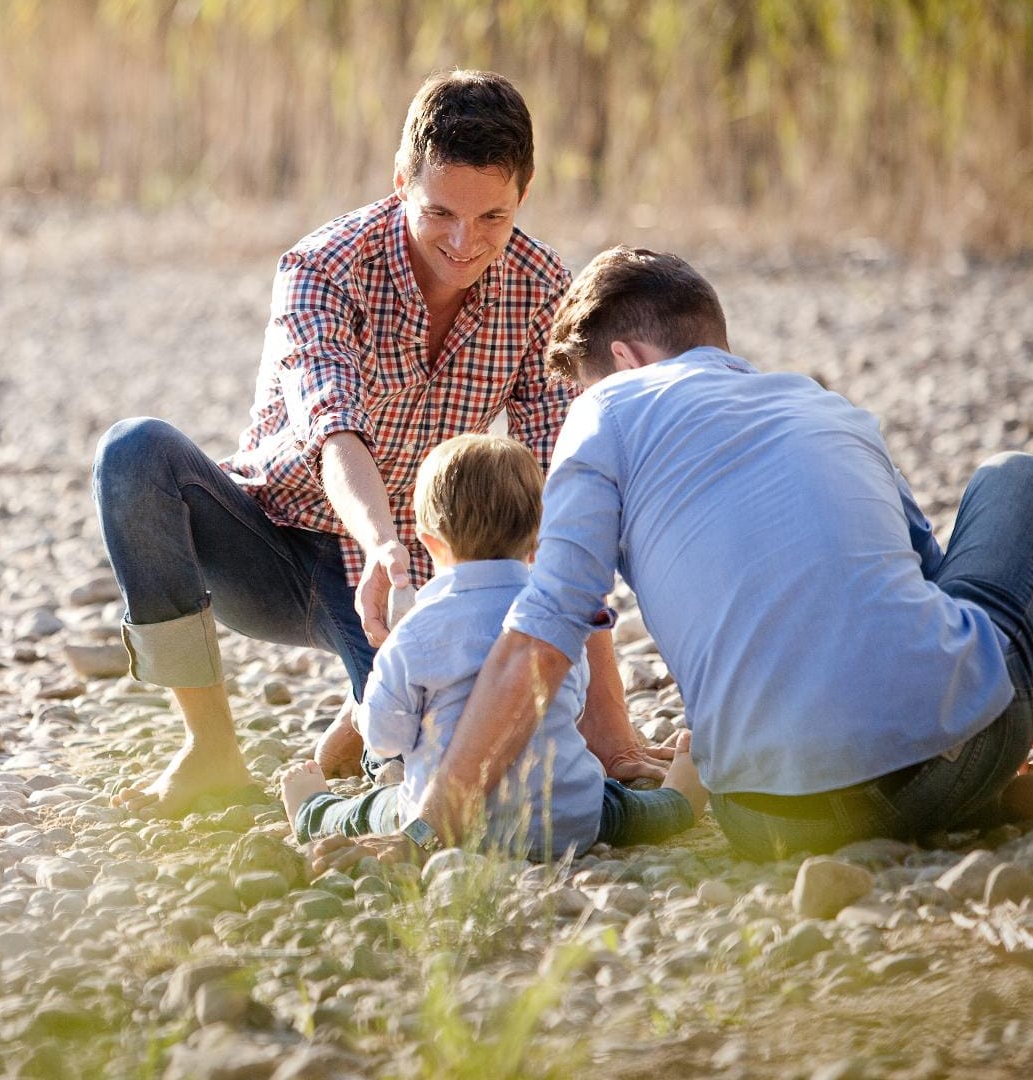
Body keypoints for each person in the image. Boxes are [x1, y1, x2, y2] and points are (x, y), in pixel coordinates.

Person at [323, 245, 1033, 870]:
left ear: (624, 362)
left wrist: (430, 831)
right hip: (963, 752)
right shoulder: (825, 407)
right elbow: (929, 583)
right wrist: (1023, 707)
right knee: (1017, 474)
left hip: (767, 817)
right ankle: (992, 796)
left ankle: (983, 806)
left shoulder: (605, 413)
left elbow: (543, 635)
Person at [90, 71, 667, 818]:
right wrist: (381, 543)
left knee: (418, 773)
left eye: (492, 216)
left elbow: (563, 498)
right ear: (402, 182)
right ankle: (209, 751)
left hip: (414, 585)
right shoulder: (321, 268)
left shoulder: (540, 286)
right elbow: (334, 431)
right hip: (273, 541)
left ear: (525, 192)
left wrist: (611, 734)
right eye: (440, 213)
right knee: (133, 452)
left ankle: (348, 729)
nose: (465, 243)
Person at [278, 434, 704, 861]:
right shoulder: (555, 616)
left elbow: (386, 740)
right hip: (566, 822)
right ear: (539, 539)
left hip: (447, 826)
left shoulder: (417, 631)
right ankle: (680, 801)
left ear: (430, 543)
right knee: (620, 807)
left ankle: (315, 811)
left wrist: (373, 697)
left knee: (373, 810)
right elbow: (571, 706)